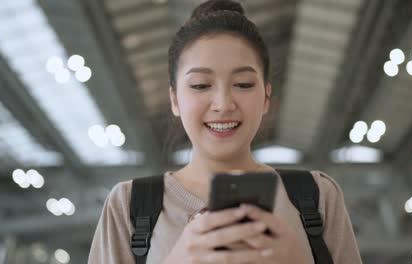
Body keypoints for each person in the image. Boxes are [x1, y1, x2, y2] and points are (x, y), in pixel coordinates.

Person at [88, 0, 362, 263]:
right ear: (174, 99)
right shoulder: (129, 207)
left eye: (243, 84)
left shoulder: (316, 197)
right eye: (200, 85)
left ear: (266, 97)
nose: (223, 104)